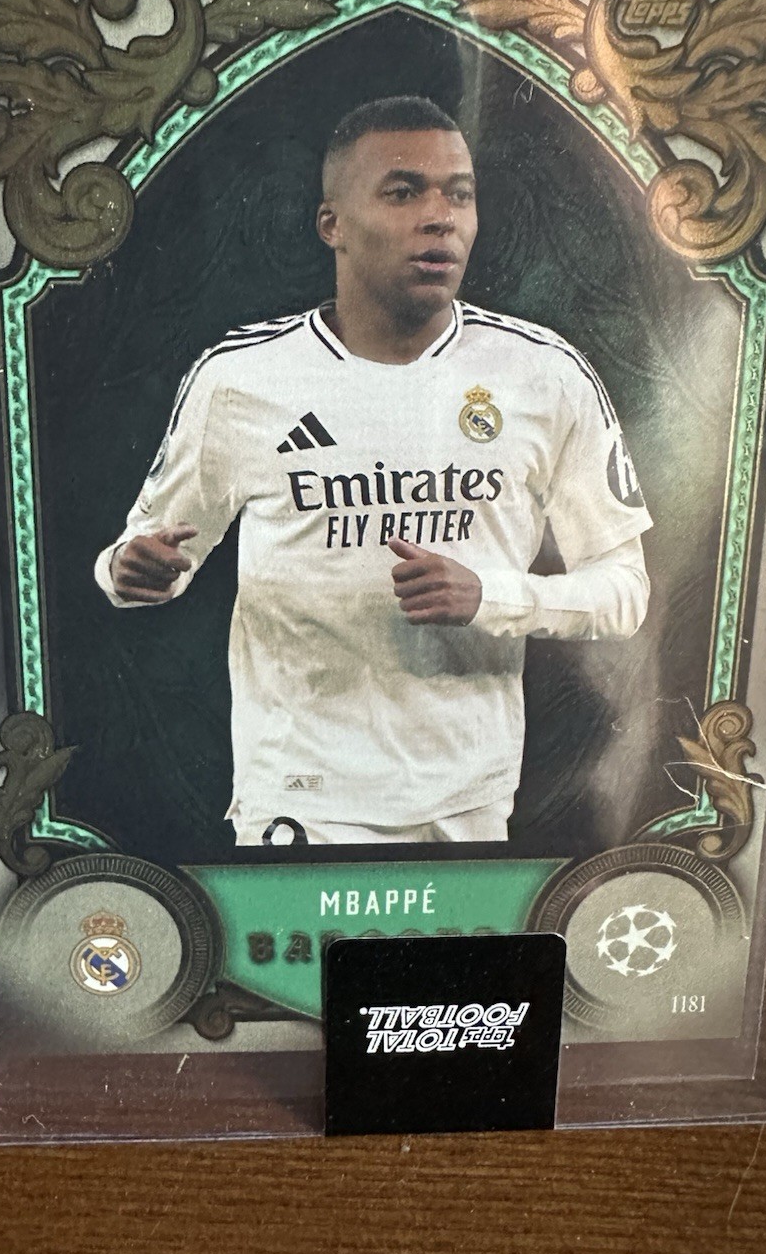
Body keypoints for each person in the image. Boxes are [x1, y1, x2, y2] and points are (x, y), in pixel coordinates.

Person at [95, 95, 651, 845]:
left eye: (459, 195)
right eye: (403, 192)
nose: (440, 218)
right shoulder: (241, 381)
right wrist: (131, 571)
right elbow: (142, 557)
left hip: (470, 800)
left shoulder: (545, 377)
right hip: (302, 798)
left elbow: (625, 593)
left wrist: (490, 595)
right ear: (333, 224)